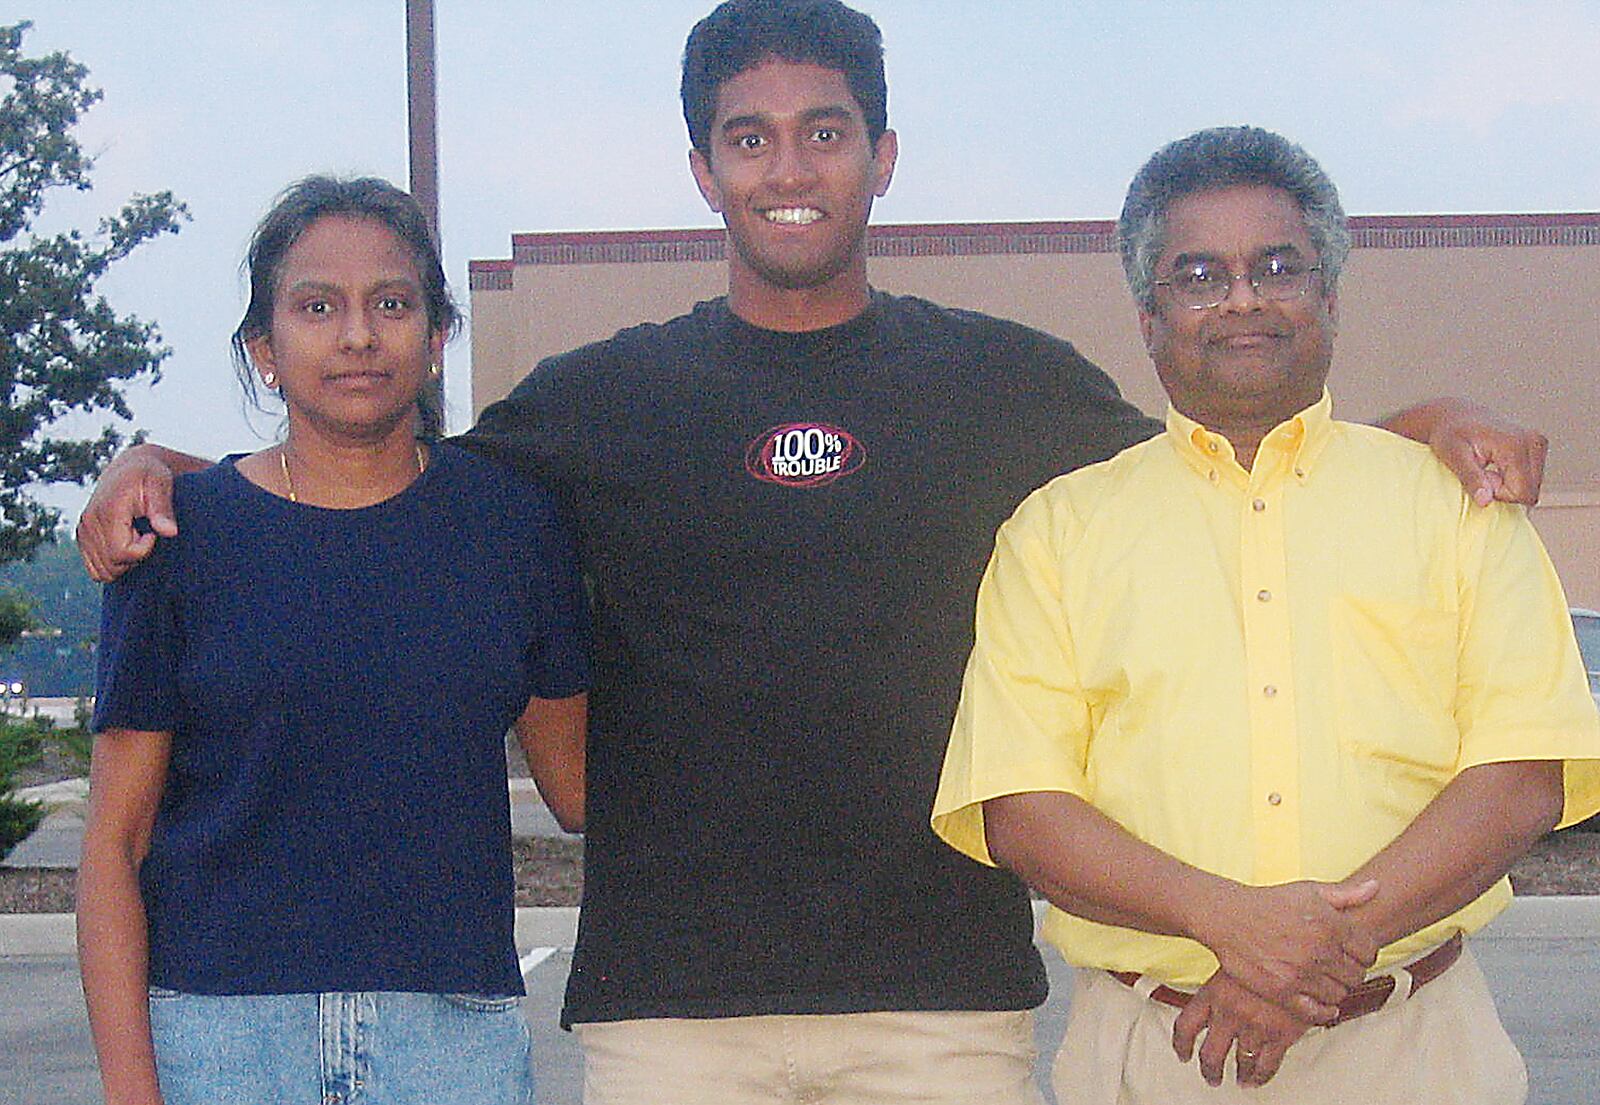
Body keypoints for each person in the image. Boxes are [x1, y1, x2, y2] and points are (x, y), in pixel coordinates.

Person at [77, 5, 1551, 1103]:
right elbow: (374, 471)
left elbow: (1231, 455)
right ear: (705, 169)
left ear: (883, 156)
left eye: (825, 130)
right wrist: (175, 471)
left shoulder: (1011, 385)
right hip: (669, 1016)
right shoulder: (601, 402)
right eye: (750, 135)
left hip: (944, 1007)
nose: (790, 167)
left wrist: (1432, 422)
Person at [931, 125, 1600, 1105]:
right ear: (1149, 314)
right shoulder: (1057, 533)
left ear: (1327, 293)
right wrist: (1230, 924)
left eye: (1275, 266)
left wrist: (1308, 960)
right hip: (1152, 1055)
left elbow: (1519, 777)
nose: (1241, 298)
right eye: (1198, 274)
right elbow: (1024, 810)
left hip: (1413, 1052)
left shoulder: (1457, 504)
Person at [76, 176, 590, 1105]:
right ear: (264, 350)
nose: (358, 334)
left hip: (453, 1041)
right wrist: (130, 1089)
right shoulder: (176, 539)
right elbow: (114, 843)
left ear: (436, 340)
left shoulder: (513, 526)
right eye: (318, 307)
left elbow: (581, 787)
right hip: (219, 1039)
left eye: (391, 304)